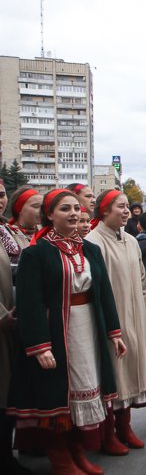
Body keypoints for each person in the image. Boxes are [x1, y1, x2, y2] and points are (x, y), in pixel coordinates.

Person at [6, 189, 126, 475]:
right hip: (57, 332)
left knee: (85, 389)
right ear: (49, 215)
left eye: (75, 208)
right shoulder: (36, 253)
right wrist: (40, 346)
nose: (73, 213)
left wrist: (114, 333)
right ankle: (61, 459)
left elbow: (104, 293)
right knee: (58, 396)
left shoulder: (90, 249)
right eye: (64, 209)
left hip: (88, 330)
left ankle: (77, 452)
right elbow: (30, 304)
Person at [86, 189, 146, 455]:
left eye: (127, 206)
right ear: (104, 210)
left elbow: (143, 280)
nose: (126, 211)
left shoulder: (131, 241)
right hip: (114, 319)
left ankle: (125, 426)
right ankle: (108, 432)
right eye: (120, 207)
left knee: (132, 372)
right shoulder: (93, 241)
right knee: (114, 375)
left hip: (136, 317)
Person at [0, 182, 31, 474]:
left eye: (0, 194)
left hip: (11, 319)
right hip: (3, 319)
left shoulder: (4, 231)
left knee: (7, 391)